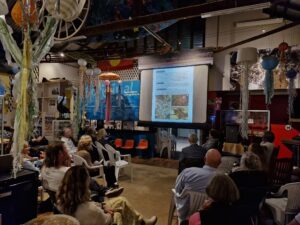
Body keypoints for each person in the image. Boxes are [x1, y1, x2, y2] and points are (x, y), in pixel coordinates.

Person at [57, 165, 158, 225]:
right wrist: (110, 212)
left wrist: (102, 205)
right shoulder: (90, 210)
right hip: (102, 219)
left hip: (94, 213)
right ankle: (141, 223)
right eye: (88, 179)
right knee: (118, 212)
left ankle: (142, 221)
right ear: (83, 184)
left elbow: (89, 205)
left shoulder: (62, 200)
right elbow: (106, 220)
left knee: (121, 200)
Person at [175, 149, 222, 221]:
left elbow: (177, 189)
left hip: (184, 213)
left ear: (204, 159)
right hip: (207, 216)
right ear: (219, 163)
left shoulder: (188, 172)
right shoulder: (223, 180)